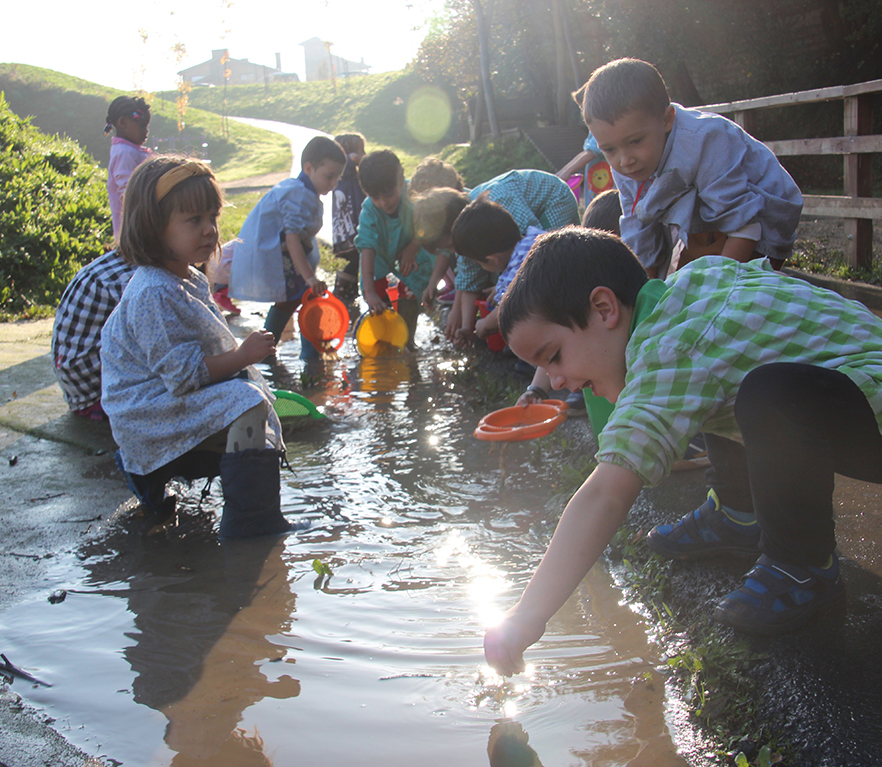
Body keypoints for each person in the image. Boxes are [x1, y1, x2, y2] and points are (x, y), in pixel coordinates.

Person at [485, 228, 882, 675]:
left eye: (554, 356)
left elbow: (606, 494)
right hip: (849, 396)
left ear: (603, 308)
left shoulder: (672, 348)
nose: (554, 381)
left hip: (870, 408)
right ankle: (737, 511)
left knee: (767, 392)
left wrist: (526, 617)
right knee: (734, 381)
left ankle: (801, 566)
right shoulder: (685, 300)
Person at [101, 155, 297, 539]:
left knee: (249, 397)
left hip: (165, 401)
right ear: (153, 228)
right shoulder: (153, 292)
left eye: (213, 217)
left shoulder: (186, 277)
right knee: (247, 402)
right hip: (146, 412)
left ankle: (252, 513)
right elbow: (184, 375)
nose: (209, 230)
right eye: (194, 220)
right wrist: (242, 356)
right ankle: (251, 527)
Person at [576, 58, 803, 279]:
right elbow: (638, 223)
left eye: (635, 141)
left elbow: (744, 223)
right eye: (609, 149)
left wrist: (720, 288)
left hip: (764, 213)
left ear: (667, 120)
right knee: (674, 280)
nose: (624, 161)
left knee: (732, 289)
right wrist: (648, 291)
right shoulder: (627, 161)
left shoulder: (703, 141)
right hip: (703, 209)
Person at [412, 170, 579, 347]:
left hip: (553, 202)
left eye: (452, 246)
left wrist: (509, 288)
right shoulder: (468, 227)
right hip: (522, 239)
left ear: (457, 224)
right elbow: (469, 275)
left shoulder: (498, 201)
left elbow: (538, 253)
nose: (456, 253)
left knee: (552, 264)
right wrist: (467, 328)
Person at [230, 136, 346, 357]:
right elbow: (292, 238)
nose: (332, 184)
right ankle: (304, 356)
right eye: (329, 177)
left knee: (294, 300)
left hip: (287, 258)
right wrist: (310, 277)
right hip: (282, 257)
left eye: (337, 179)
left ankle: (274, 351)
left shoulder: (303, 191)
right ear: (309, 168)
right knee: (301, 298)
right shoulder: (298, 194)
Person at [355, 149, 435, 347]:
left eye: (389, 195)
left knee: (410, 291)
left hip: (411, 254)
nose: (384, 203)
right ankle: (386, 341)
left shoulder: (414, 198)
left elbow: (427, 225)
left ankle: (408, 341)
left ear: (401, 181)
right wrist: (370, 293)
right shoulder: (369, 211)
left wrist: (413, 247)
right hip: (379, 258)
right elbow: (367, 250)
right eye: (376, 198)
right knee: (378, 303)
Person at [51, 249, 135, 421]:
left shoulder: (122, 262)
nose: (207, 230)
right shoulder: (138, 279)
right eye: (194, 220)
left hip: (78, 382)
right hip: (95, 394)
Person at [450, 194, 543, 343]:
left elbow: (508, 307)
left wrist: (483, 325)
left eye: (480, 264)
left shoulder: (517, 270)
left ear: (492, 260)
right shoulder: (535, 238)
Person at [104, 95, 153, 240]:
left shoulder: (131, 151)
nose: (146, 130)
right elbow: (127, 192)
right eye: (142, 125)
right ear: (123, 123)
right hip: (134, 231)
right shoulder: (124, 153)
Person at [331, 132, 367, 317]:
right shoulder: (345, 169)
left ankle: (348, 292)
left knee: (358, 257)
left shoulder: (345, 174)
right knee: (358, 256)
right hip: (352, 224)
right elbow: (352, 159)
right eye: (362, 150)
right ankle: (341, 292)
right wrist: (357, 158)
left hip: (348, 225)